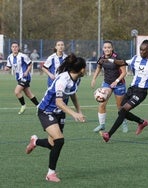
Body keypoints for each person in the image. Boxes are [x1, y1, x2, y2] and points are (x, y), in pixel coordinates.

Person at [25, 53, 86, 182]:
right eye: (84, 68)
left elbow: (72, 94)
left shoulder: (77, 79)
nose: (85, 70)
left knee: (53, 144)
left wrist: (79, 111)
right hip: (46, 111)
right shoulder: (63, 79)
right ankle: (50, 174)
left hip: (59, 112)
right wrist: (74, 114)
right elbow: (59, 102)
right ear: (81, 69)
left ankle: (35, 141)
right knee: (59, 141)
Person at [91, 41, 128, 133]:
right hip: (107, 83)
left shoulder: (117, 58)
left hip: (119, 84)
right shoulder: (101, 58)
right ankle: (102, 125)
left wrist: (116, 81)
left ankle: (124, 122)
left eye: (109, 47)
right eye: (105, 47)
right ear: (103, 49)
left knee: (120, 107)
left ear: (112, 48)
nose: (107, 49)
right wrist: (94, 79)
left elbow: (124, 72)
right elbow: (99, 67)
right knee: (102, 103)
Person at [4, 41, 39, 114]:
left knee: (17, 91)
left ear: (18, 48)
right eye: (13, 47)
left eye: (16, 47)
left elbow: (30, 64)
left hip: (25, 77)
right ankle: (39, 107)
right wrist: (6, 68)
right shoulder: (10, 57)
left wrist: (26, 72)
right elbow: (9, 66)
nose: (14, 48)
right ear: (11, 48)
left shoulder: (23, 56)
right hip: (18, 77)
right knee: (28, 94)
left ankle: (23, 105)